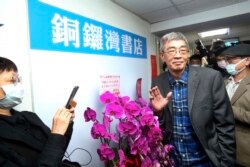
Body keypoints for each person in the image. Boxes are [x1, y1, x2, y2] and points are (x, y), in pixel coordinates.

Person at [149, 32, 236, 167]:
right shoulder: (158, 82)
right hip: (173, 160)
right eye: (171, 51)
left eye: (183, 50)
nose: (178, 55)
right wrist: (158, 113)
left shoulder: (211, 78)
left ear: (188, 54)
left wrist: (226, 163)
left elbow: (225, 126)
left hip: (206, 161)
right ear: (162, 56)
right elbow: (160, 129)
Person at [0, 57, 76, 167]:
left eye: (18, 80)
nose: (18, 86)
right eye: (12, 81)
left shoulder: (30, 117)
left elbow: (56, 151)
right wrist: (57, 133)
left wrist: (65, 126)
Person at [222, 43, 250, 166]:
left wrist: (229, 109)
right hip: (223, 148)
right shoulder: (223, 82)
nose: (228, 63)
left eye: (233, 59)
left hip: (244, 152)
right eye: (227, 60)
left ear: (247, 61)